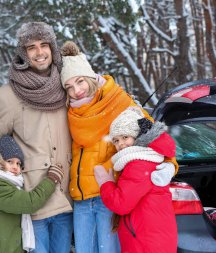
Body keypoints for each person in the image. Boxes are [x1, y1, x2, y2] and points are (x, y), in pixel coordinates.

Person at [60, 41, 178, 253]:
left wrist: (170, 165)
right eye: (69, 87)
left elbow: (154, 137)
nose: (77, 91)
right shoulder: (70, 113)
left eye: (80, 82)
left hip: (110, 197)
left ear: (89, 77)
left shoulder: (118, 102)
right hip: (81, 199)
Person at [0, 22, 73, 253]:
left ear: (52, 48)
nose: (39, 52)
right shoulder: (9, 97)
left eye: (44, 45)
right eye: (31, 47)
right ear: (23, 53)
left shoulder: (68, 87)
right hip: (33, 199)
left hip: (67, 196)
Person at [94, 107, 178, 253]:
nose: (121, 144)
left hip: (145, 241)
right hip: (151, 238)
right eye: (116, 140)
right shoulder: (147, 158)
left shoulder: (138, 163)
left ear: (137, 136)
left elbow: (121, 204)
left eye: (125, 137)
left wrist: (105, 184)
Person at [0, 135, 64, 253]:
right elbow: (30, 202)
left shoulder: (5, 183)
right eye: (10, 161)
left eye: (18, 163)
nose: (15, 167)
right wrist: (51, 179)